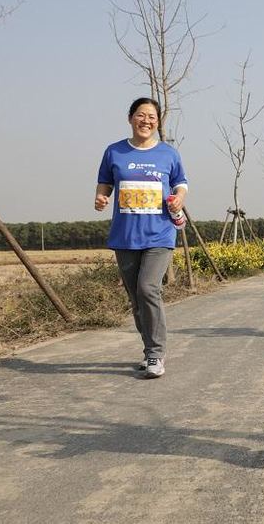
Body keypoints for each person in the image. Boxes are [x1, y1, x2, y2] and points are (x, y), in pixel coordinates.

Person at [95, 97, 188, 379]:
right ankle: (149, 350)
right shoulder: (114, 152)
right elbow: (105, 183)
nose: (146, 120)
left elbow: (181, 184)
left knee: (148, 289)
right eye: (140, 115)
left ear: (157, 122)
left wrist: (178, 200)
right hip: (125, 236)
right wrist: (100, 197)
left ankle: (156, 354)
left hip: (160, 233)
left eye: (151, 116)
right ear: (130, 117)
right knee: (136, 299)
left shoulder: (168, 154)